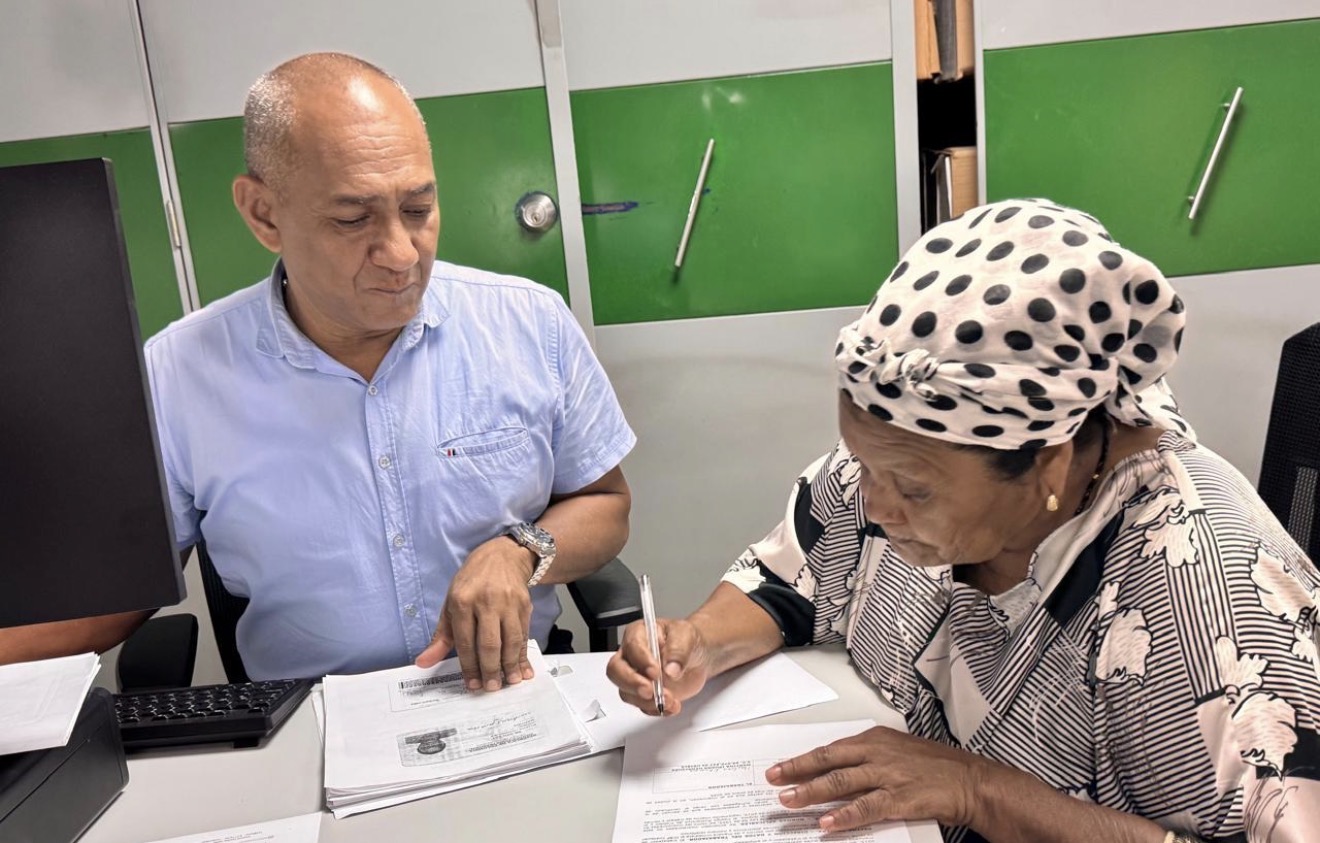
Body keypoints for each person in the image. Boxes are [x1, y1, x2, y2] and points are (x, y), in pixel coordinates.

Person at [609, 199, 1320, 842]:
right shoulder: (894, 464)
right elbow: (787, 579)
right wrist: (698, 641)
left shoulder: (1207, 607)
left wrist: (977, 789)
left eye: (914, 491)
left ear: (1048, 463)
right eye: (863, 464)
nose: (876, 507)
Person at [0, 53, 635, 690]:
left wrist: (521, 550)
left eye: (418, 209)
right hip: (310, 719)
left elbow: (604, 503)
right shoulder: (179, 372)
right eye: (353, 219)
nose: (399, 254)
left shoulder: (526, 323)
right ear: (263, 214)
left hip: (510, 690)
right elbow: (116, 592)